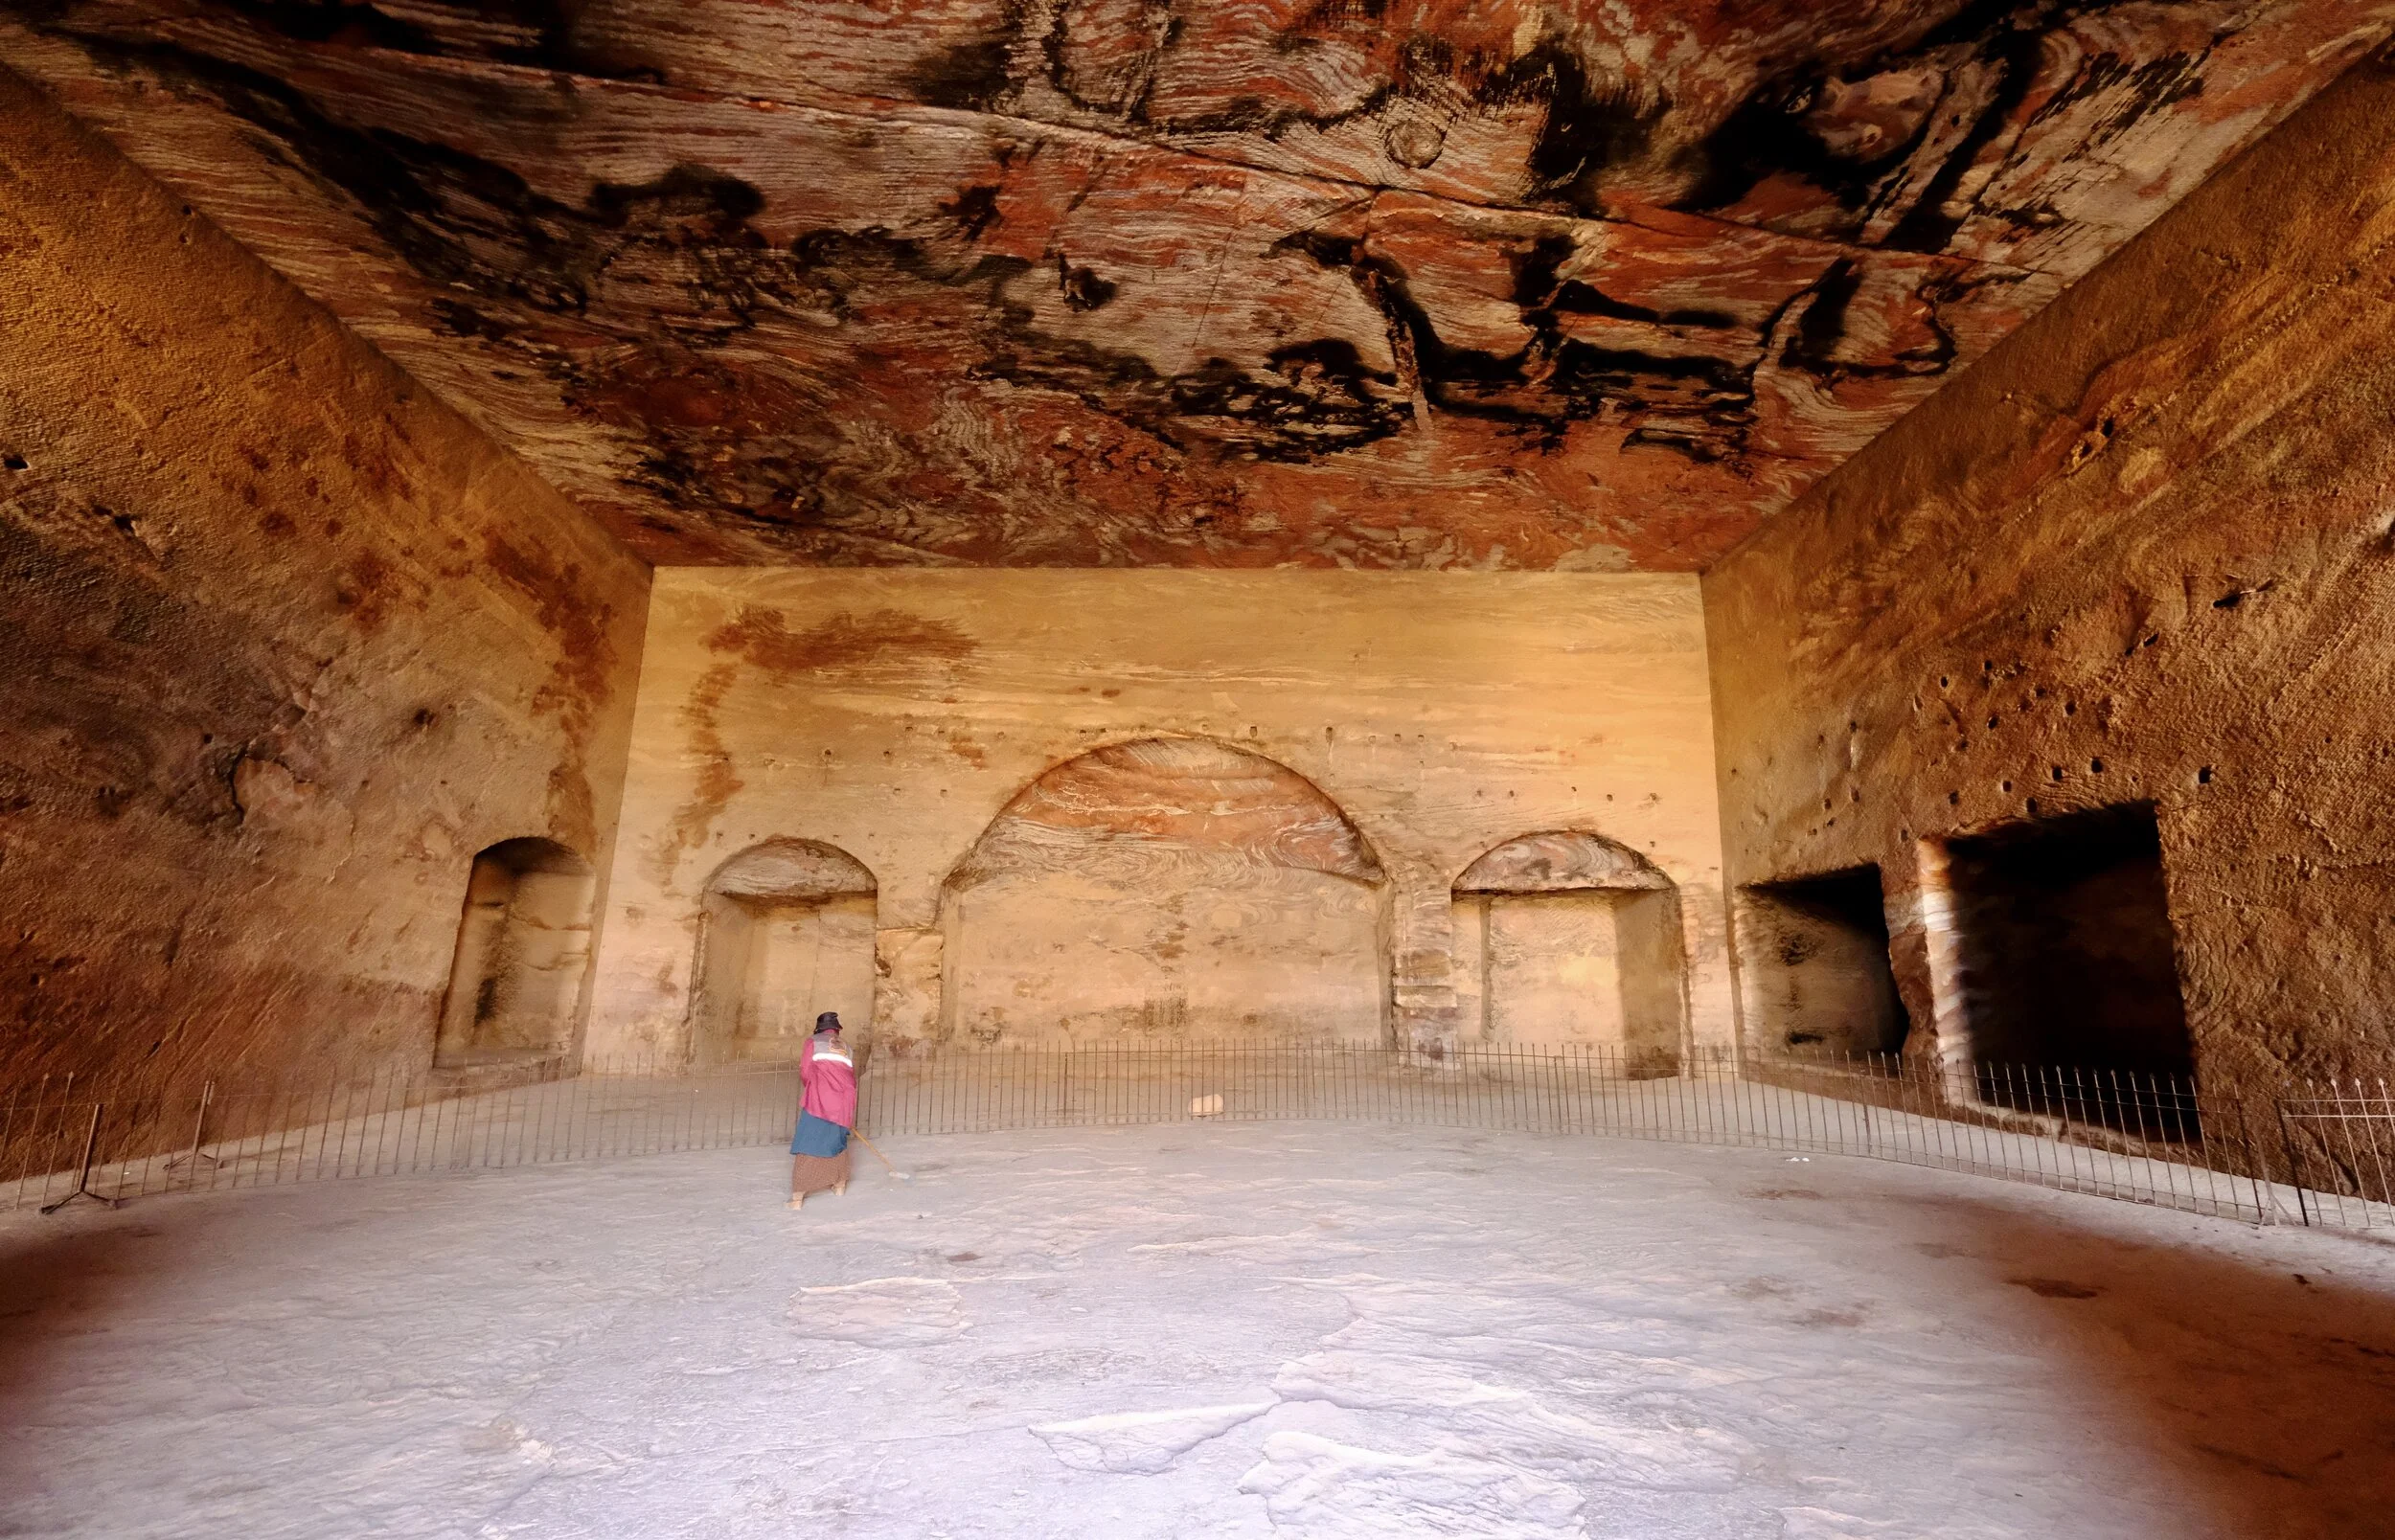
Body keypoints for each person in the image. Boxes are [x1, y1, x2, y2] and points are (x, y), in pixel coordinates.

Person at [789, 1011, 858, 1210]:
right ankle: (839, 1185)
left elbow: (805, 1070)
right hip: (844, 1099)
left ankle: (798, 1197)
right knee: (837, 1139)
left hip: (820, 1098)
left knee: (810, 1139)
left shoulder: (813, 1042)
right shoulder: (846, 1046)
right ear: (837, 1030)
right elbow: (849, 1073)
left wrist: (812, 1087)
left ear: (819, 1028)